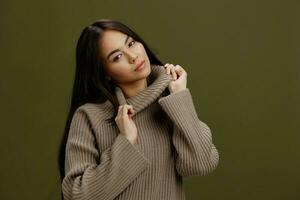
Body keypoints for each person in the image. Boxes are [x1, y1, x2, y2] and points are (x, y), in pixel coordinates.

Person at [58, 18, 219, 200]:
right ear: (105, 73)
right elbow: (76, 195)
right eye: (117, 57)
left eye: (131, 43)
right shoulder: (90, 116)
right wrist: (127, 142)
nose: (133, 56)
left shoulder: (171, 102)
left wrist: (180, 99)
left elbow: (202, 164)